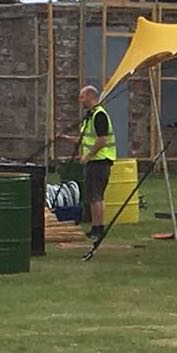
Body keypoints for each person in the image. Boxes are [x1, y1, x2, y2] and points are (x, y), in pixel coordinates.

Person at [58, 86, 115, 242]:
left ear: (90, 96)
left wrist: (88, 156)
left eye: (82, 97)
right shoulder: (90, 116)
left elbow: (102, 140)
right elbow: (86, 139)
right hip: (93, 162)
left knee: (97, 196)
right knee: (92, 196)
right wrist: (66, 138)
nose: (80, 100)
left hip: (100, 161)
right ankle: (95, 227)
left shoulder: (99, 115)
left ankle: (99, 228)